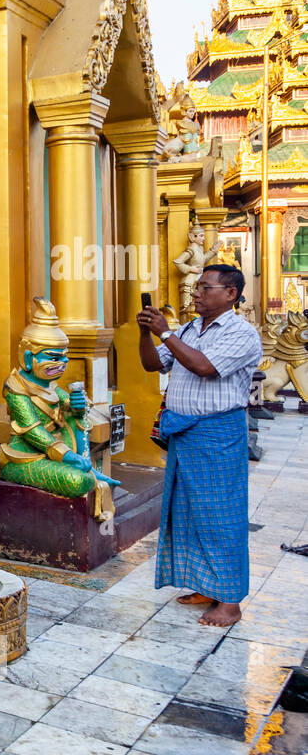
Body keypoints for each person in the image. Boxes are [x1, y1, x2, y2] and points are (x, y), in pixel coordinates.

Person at [137, 264, 262, 627]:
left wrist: (165, 333)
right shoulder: (189, 329)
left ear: (231, 294)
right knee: (189, 514)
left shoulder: (241, 333)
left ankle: (230, 602)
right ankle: (207, 585)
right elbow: (150, 365)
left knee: (220, 516)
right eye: (196, 287)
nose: (196, 293)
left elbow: (204, 367)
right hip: (186, 432)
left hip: (218, 434)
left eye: (206, 288)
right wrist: (147, 333)